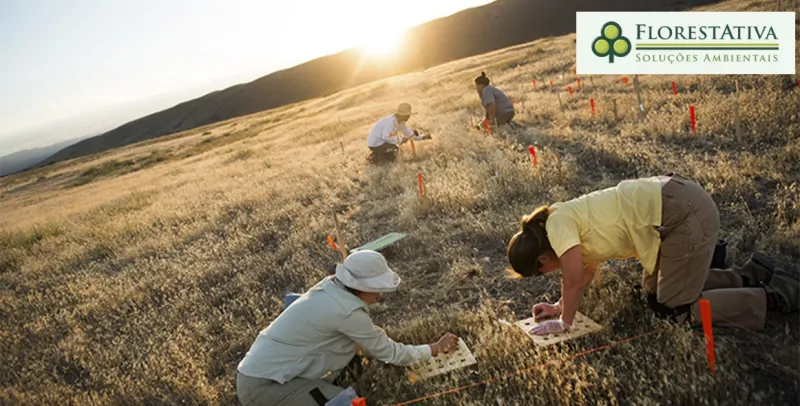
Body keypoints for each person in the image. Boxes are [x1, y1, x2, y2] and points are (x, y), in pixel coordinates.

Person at [505, 173, 798, 336]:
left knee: (676, 309)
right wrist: (559, 306)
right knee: (654, 291)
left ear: (542, 260)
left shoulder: (557, 225)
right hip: (677, 209)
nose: (550, 273)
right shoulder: (564, 220)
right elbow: (583, 275)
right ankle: (751, 274)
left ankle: (775, 295)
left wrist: (564, 323)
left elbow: (572, 281)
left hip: (684, 215)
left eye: (542, 272)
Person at [236, 250, 459, 406]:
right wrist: (434, 348)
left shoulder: (330, 286)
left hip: (258, 371)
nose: (380, 295)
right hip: (265, 387)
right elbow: (391, 353)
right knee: (350, 404)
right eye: (377, 288)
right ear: (363, 287)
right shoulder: (346, 312)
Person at [366, 103, 431, 163]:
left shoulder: (401, 122)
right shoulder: (391, 122)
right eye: (407, 115)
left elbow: (409, 133)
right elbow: (386, 136)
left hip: (381, 141)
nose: (409, 117)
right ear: (401, 115)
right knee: (394, 150)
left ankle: (376, 156)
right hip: (375, 143)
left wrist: (423, 137)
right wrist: (400, 140)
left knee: (393, 149)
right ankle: (375, 160)